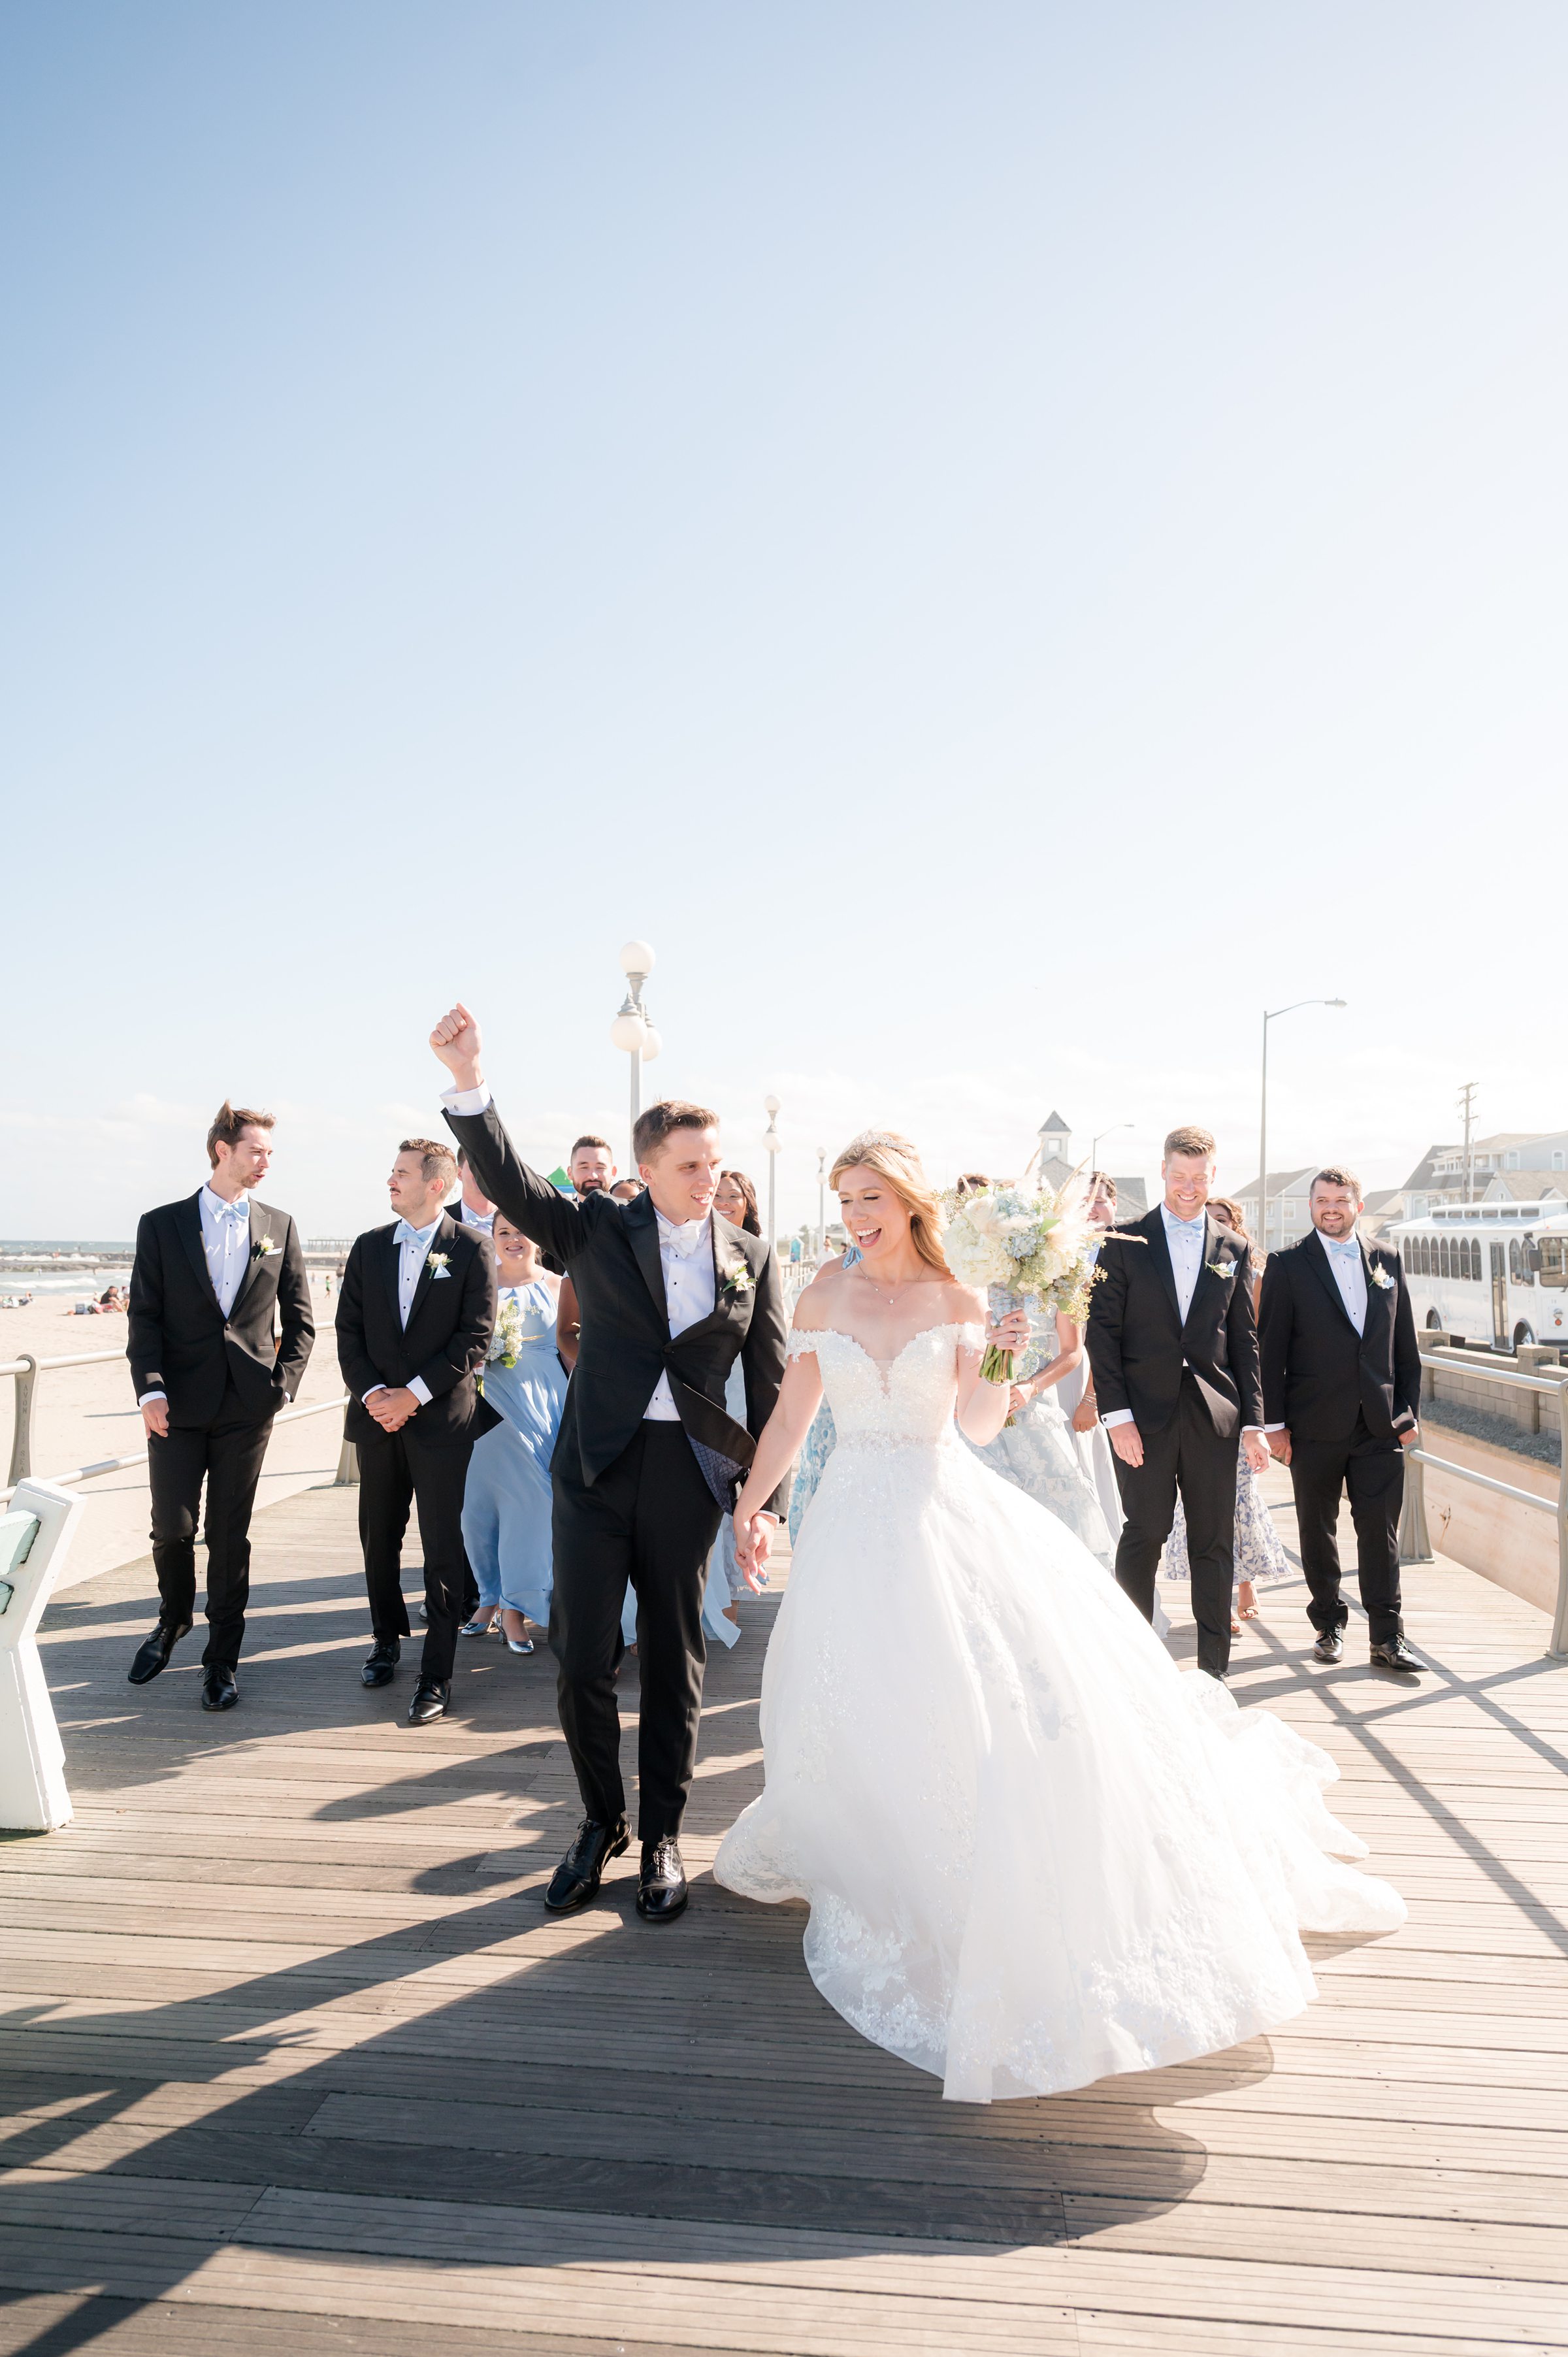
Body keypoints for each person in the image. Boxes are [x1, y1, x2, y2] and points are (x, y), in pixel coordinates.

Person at [715, 1129, 1403, 2105]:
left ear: (908, 1201)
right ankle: (872, 1840)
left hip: (936, 1507)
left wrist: (996, 1357)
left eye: (870, 1196)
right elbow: (791, 1414)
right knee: (853, 1691)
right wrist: (752, 1504)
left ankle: (954, 1866)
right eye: (845, 1199)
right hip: (845, 1526)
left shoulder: (958, 1298)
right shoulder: (822, 1289)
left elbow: (980, 1425)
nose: (856, 1216)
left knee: (966, 1693)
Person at [430, 1002, 789, 1924]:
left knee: (676, 1657)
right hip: (592, 1467)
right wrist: (470, 1080)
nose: (710, 1178)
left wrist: (765, 1502)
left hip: (688, 1475)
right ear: (647, 1170)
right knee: (581, 1653)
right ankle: (601, 1821)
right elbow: (508, 1179)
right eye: (691, 1165)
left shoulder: (751, 1253)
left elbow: (774, 1375)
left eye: (715, 1163)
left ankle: (664, 1831)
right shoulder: (594, 1227)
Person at [125, 1101, 315, 1709]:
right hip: (175, 1404)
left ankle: (221, 1660)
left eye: (269, 1152)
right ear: (222, 1151)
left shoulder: (278, 1225)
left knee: (230, 1535)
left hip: (247, 1405)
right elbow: (145, 1316)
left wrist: (283, 1384)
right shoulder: (161, 1224)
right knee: (172, 1529)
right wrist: (150, 1388)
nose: (266, 1161)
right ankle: (173, 1616)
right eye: (256, 1150)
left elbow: (302, 1321)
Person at [1085, 1125, 1269, 1681]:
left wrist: (1256, 1423)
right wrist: (1117, 1418)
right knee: (1144, 1532)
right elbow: (1102, 1335)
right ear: (1163, 1171)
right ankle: (1137, 1667)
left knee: (1214, 1543)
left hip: (1214, 1415)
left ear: (1212, 1177)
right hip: (1141, 1417)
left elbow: (1244, 1341)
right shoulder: (1121, 1242)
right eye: (1179, 1175)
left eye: (1199, 1177)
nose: (1189, 1187)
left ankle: (1214, 1673)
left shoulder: (1233, 1247)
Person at [336, 1138, 500, 1724]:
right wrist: (376, 1394)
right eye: (391, 1171)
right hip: (376, 1419)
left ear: (438, 1184)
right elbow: (348, 1332)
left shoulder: (474, 1249)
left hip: (439, 1425)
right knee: (378, 1539)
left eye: (401, 1173)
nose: (390, 1180)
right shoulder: (368, 1247)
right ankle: (385, 1641)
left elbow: (474, 1337)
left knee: (440, 1549)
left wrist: (415, 1394)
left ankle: (437, 1672)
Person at [1260, 1166, 1424, 1674]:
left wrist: (1408, 1413)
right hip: (1313, 1424)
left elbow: (1405, 1347)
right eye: (1322, 1200)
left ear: (1358, 1203)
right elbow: (1270, 1351)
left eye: (1341, 1199)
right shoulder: (1287, 1265)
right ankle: (1328, 1623)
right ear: (1311, 1206)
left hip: (1378, 1424)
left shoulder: (1389, 1259)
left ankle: (1388, 1636)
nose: (1331, 1207)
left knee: (1380, 1531)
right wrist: (1275, 1424)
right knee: (1317, 1528)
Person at [1164, 1196, 1290, 1630]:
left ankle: (1245, 1579)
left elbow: (1251, 1339)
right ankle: (1218, 1596)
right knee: (1201, 1502)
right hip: (1188, 1398)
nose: (1210, 1226)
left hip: (1233, 1400)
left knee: (1241, 1495)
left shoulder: (1247, 1269)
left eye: (1220, 1221)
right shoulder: (1177, 1266)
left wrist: (1259, 1416)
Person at [461, 1210, 565, 1654]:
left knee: (532, 1508)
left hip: (542, 1406)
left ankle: (515, 1608)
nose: (512, 1239)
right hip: (486, 1408)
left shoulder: (559, 1285)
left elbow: (578, 1344)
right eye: (503, 1231)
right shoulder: (478, 1282)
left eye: (521, 1231)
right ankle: (487, 1596)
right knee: (477, 1510)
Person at [555, 1137, 619, 1371]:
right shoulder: (555, 1223)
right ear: (571, 1173)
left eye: (600, 1167)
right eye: (584, 1167)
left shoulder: (631, 1223)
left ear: (612, 1172)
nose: (593, 1174)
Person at [450, 1147, 497, 1234]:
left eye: (490, 1166)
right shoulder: (439, 1220)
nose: (483, 1172)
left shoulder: (517, 1222)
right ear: (460, 1173)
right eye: (476, 1165)